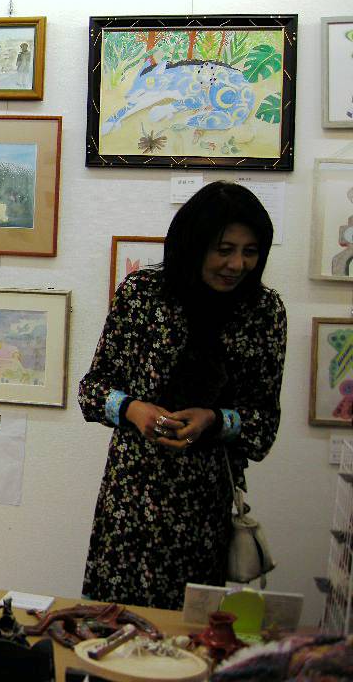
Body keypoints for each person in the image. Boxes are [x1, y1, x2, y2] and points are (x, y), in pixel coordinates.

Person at [78, 181, 286, 610]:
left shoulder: (263, 312)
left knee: (191, 628)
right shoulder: (142, 295)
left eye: (250, 252)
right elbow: (92, 391)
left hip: (206, 502)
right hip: (131, 497)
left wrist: (214, 419)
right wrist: (133, 410)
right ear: (193, 245)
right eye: (224, 249)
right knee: (118, 622)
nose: (237, 264)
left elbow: (264, 424)